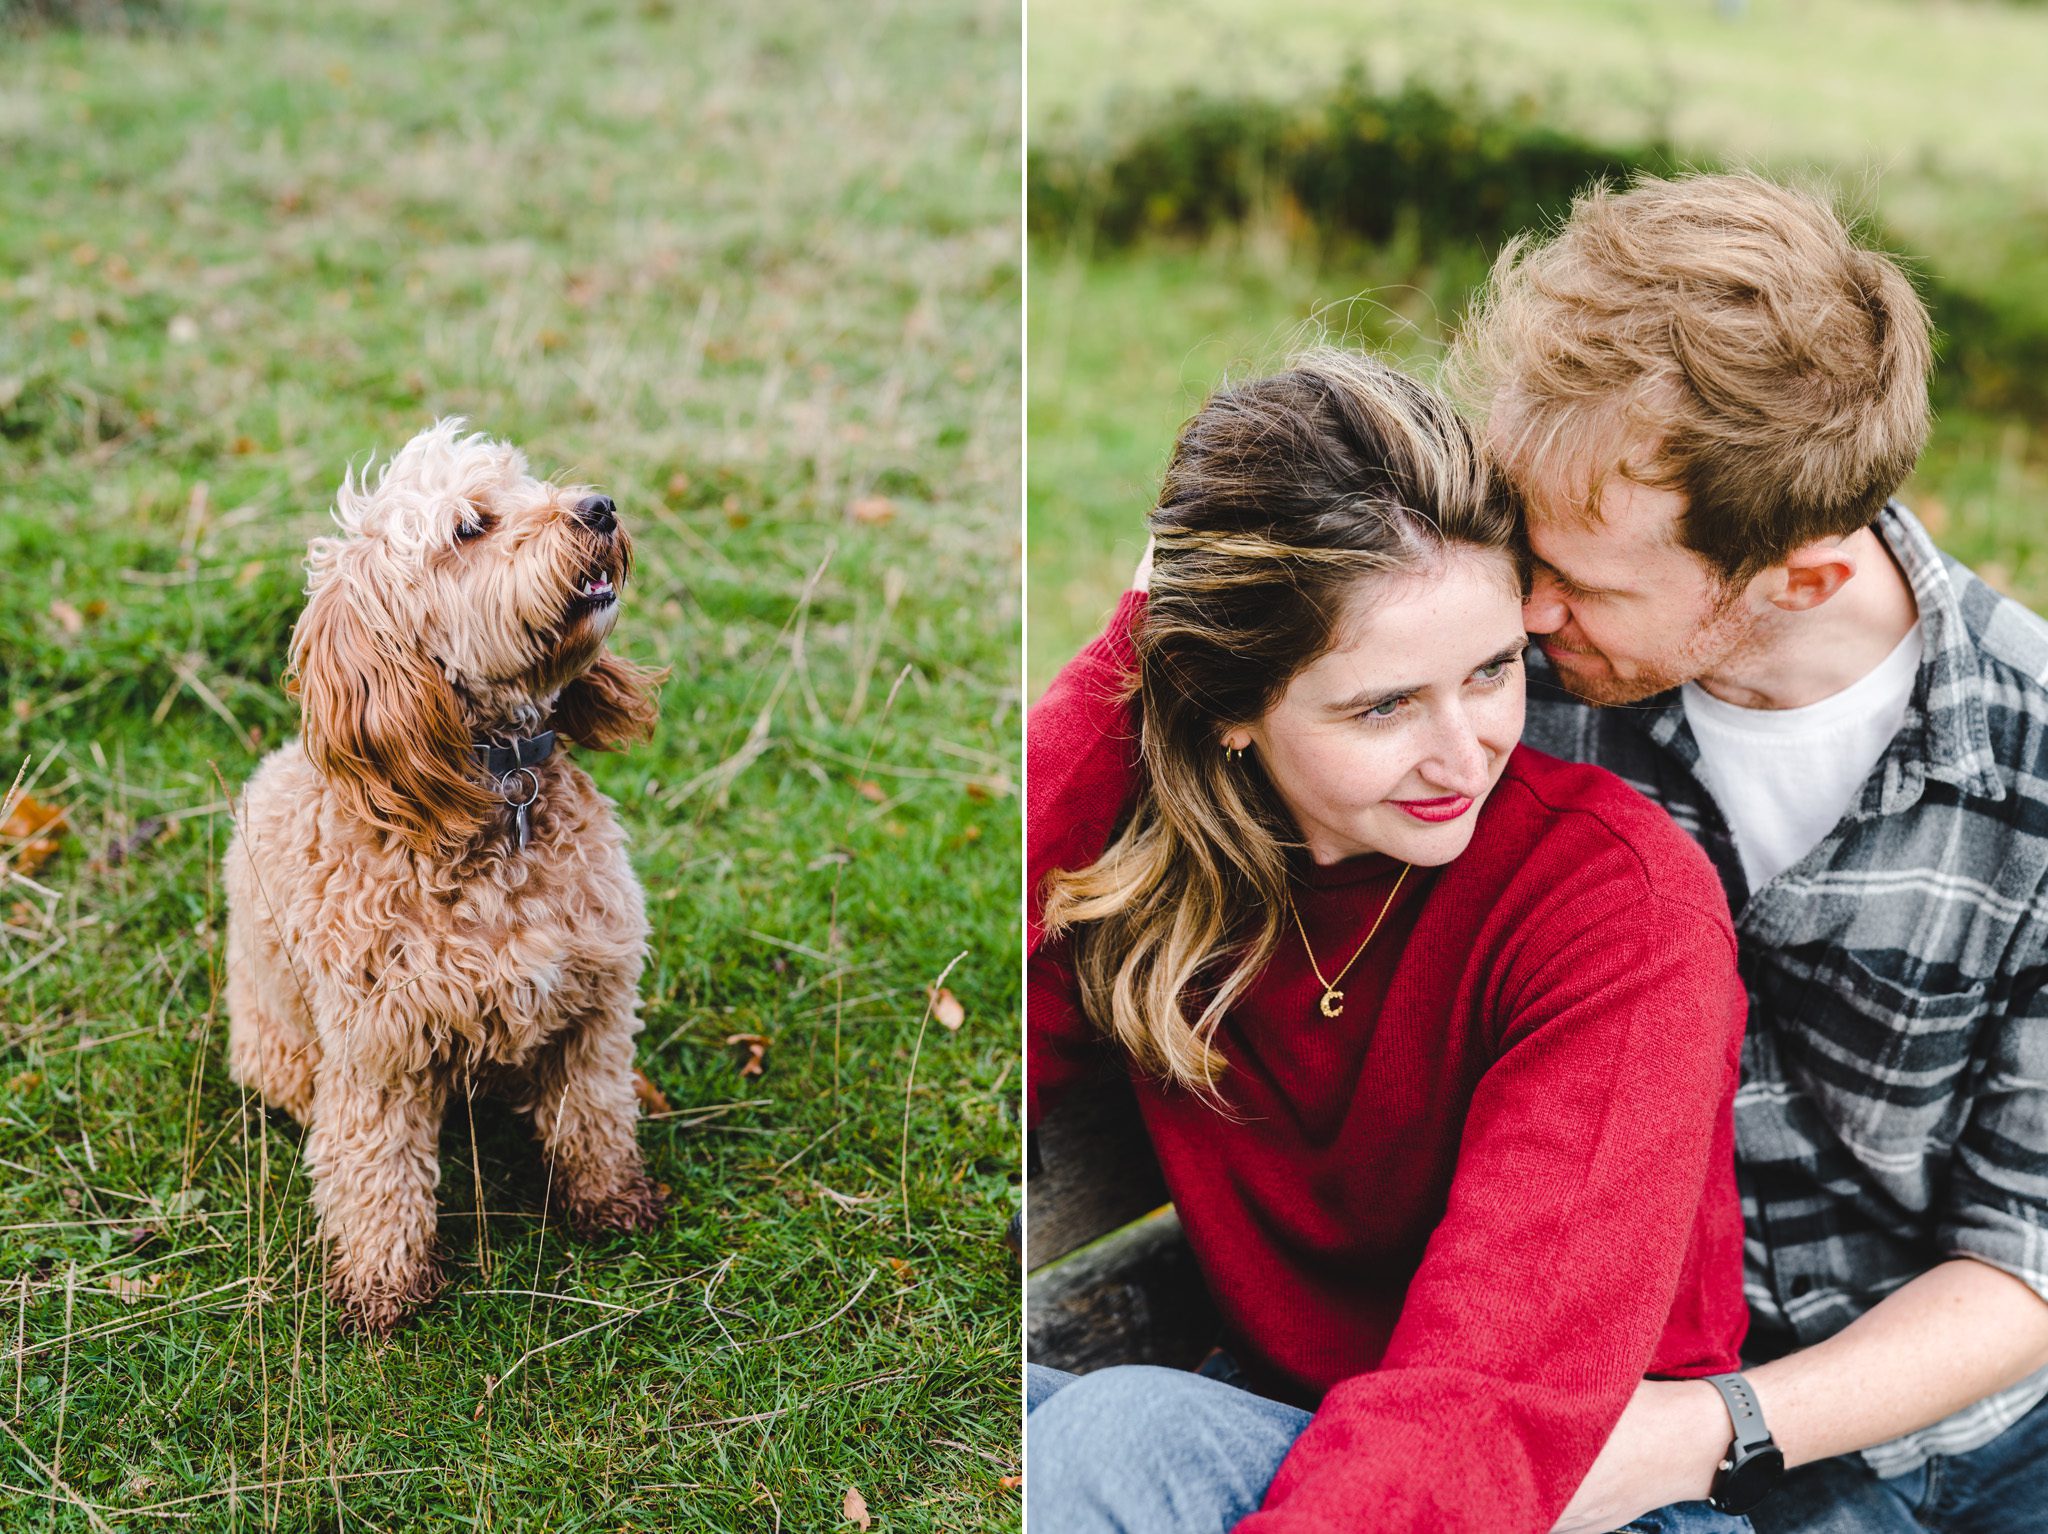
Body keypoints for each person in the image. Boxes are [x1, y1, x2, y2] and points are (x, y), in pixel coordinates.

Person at [1026, 350, 1754, 1532]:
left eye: (1490, 671)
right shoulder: (1172, 881)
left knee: (1110, 1443)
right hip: (1297, 1448)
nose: (1463, 754)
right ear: (1228, 715)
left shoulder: (1618, 907)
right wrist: (1133, 640)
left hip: (1576, 1498)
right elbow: (963, 1021)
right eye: (1382, 705)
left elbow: (1481, 1395)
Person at [1445, 170, 2048, 1534]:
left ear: (1802, 577)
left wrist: (1711, 1432)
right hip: (1639, 1414)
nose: (1527, 611)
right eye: (1524, 544)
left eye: (1583, 582)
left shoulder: (2032, 764)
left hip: (1976, 1432)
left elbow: (2029, 1258)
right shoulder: (1513, 686)